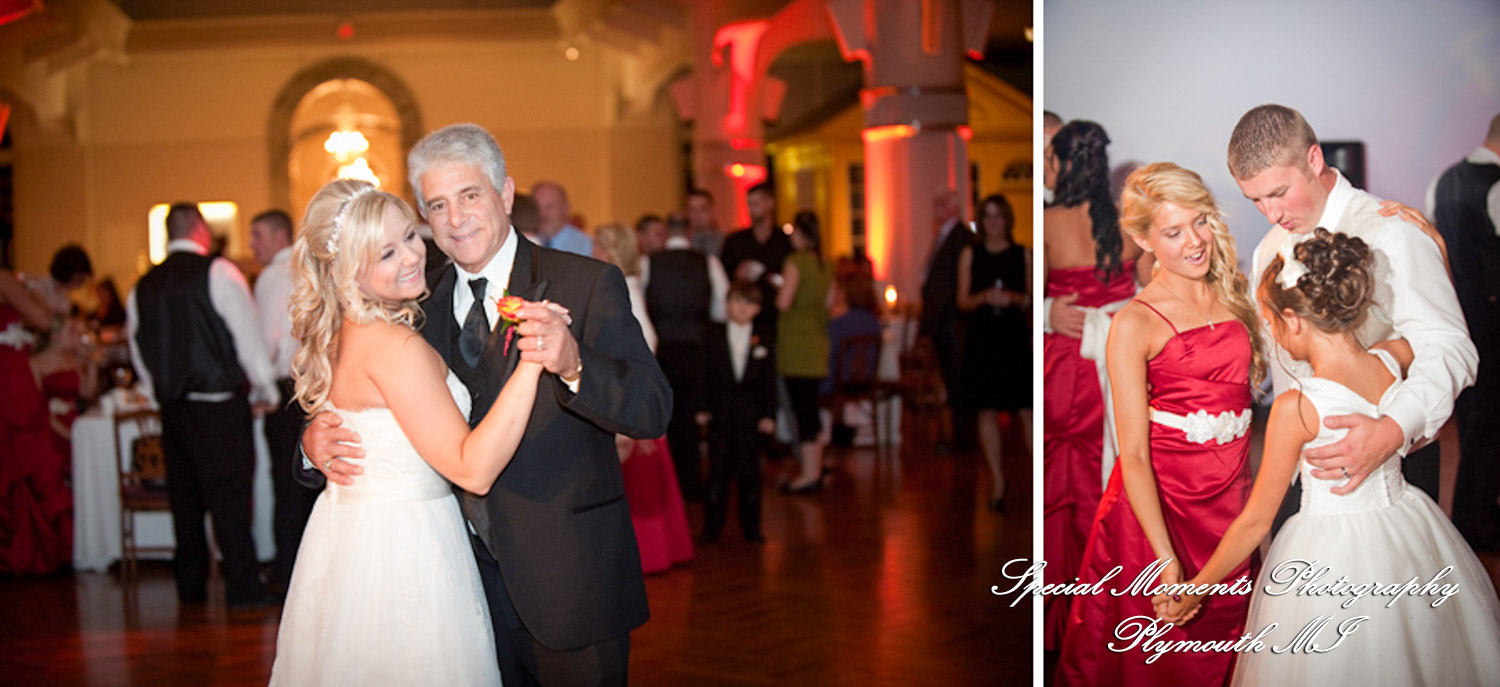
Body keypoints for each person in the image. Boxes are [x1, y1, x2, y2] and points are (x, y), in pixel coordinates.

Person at [302, 123, 671, 686]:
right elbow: (361, 398)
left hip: (570, 581)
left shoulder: (584, 283)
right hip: (455, 588)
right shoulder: (412, 302)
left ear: (504, 194)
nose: (455, 220)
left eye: (470, 196)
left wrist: (574, 364)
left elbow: (652, 408)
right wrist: (310, 444)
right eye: (436, 206)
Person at [1156, 229, 1500, 685]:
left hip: (1326, 557)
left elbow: (1256, 521)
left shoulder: (1297, 407)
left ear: (1294, 321)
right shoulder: (1390, 361)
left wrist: (1197, 588)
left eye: (1271, 322)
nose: (1272, 332)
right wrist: (1435, 243)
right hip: (1407, 529)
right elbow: (1434, 339)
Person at [269, 179, 549, 686]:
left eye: (410, 236)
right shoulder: (396, 346)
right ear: (349, 271)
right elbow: (473, 469)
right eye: (387, 253)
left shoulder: (340, 333)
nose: (412, 256)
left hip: (347, 543)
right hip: (405, 552)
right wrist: (533, 360)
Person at [1058, 163, 1264, 686]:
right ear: (1140, 238)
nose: (1195, 241)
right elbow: (1134, 455)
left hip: (1232, 508)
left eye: (1200, 222)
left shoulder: (1236, 294)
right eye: (1173, 232)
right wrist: (1163, 557)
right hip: (1160, 515)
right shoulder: (1135, 323)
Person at [1231, 104, 1476, 528]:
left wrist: (1393, 430)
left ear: (1314, 159)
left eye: (1278, 193)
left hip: (1393, 469)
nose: (1271, 214)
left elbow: (1451, 347)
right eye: (1255, 200)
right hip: (1302, 480)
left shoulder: (1393, 231)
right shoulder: (1268, 248)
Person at [126, 203, 280, 607]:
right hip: (220, 406)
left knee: (186, 500)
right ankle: (243, 589)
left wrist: (154, 385)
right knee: (230, 499)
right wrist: (266, 389)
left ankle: (190, 588)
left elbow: (138, 347)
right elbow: (247, 340)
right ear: (200, 230)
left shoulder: (143, 285)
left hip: (174, 407)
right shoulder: (219, 271)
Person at [1040, 120, 1150, 649]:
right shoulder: (1128, 224)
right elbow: (1150, 290)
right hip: (1112, 363)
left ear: (1062, 164)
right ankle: (1104, 610)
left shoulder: (1047, 223)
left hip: (1063, 365)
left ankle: (1055, 613)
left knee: (1058, 479)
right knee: (1105, 479)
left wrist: (1046, 310)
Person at [594, 221, 695, 573]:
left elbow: (647, 342)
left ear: (608, 251)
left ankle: (646, 555)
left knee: (638, 486)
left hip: (629, 397)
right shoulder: (626, 283)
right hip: (630, 393)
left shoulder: (621, 287)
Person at [1426, 112, 1500, 550]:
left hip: (1459, 317)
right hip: (1494, 322)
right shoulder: (1496, 185)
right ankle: (1479, 523)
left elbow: (1437, 245)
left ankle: (1476, 517)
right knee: (1488, 427)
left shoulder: (1443, 180)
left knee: (1475, 422)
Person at [249, 208, 320, 592]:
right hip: (313, 384)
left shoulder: (273, 276)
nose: (251, 243)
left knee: (286, 482)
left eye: (257, 235)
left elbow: (267, 342)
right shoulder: (307, 268)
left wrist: (262, 391)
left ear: (280, 237)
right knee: (309, 481)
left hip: (288, 387)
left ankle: (286, 571)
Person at [642, 213, 728, 502]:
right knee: (692, 418)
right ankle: (692, 484)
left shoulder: (648, 263)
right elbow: (721, 310)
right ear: (690, 232)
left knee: (665, 417)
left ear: (666, 233)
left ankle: (667, 485)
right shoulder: (709, 262)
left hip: (662, 349)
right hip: (697, 348)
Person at [958, 194, 1030, 511]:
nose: (993, 222)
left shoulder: (1022, 254)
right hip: (983, 338)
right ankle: (998, 482)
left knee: (1026, 410)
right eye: (987, 216)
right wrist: (984, 296)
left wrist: (1015, 298)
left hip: (1014, 338)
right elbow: (962, 301)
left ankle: (1039, 480)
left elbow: (1033, 299)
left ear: (1007, 219)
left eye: (999, 216)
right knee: (986, 410)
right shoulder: (970, 255)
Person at [0, 269, 72, 575]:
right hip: (8, 372)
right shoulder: (4, 279)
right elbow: (44, 320)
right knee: (23, 450)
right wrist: (29, 289)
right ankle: (28, 553)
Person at [699, 281, 777, 541]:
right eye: (738, 302)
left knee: (750, 476)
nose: (743, 308)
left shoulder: (764, 338)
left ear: (757, 309)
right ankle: (712, 529)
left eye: (750, 303)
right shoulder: (713, 336)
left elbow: (770, 380)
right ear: (728, 304)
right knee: (717, 474)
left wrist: (769, 414)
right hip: (721, 415)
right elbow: (704, 375)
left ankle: (752, 529)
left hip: (750, 418)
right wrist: (702, 407)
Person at [777, 211, 831, 493]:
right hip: (817, 342)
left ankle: (809, 474)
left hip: (796, 346)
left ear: (799, 233)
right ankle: (816, 469)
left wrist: (777, 288)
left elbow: (784, 302)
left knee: (803, 412)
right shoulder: (825, 263)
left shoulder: (795, 262)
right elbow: (832, 302)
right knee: (812, 409)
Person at [919, 188, 973, 450]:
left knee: (958, 379)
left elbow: (949, 285)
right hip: (942, 322)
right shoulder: (945, 235)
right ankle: (957, 436)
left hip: (953, 322)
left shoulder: (961, 236)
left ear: (951, 207)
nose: (935, 208)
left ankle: (962, 438)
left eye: (939, 202)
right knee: (950, 379)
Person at [720, 182, 792, 343]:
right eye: (749, 204)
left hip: (777, 318)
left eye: (756, 204)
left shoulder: (785, 241)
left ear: (770, 203)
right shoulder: (736, 241)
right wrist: (737, 274)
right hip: (744, 318)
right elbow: (722, 276)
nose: (751, 210)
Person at [532, 180, 593, 257]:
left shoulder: (587, 248)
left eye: (549, 206)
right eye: (536, 207)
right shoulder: (526, 244)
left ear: (566, 208)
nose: (542, 214)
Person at [686, 188, 723, 257]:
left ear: (712, 209)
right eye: (692, 210)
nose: (697, 214)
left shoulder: (724, 241)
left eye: (703, 209)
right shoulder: (683, 242)